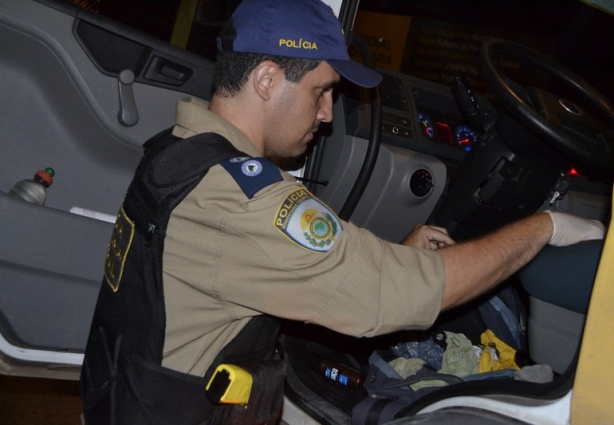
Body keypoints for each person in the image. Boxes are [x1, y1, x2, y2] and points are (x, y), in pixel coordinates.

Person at [80, 0, 606, 424]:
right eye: (322, 91)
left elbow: (269, 269)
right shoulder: (238, 200)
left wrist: (397, 256)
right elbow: (407, 294)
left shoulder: (179, 150)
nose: (329, 114)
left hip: (131, 395)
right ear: (266, 79)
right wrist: (545, 228)